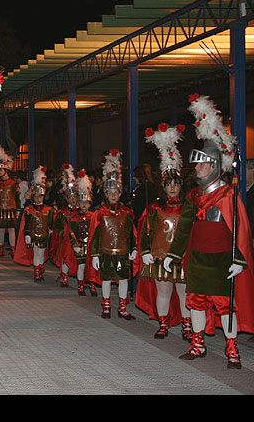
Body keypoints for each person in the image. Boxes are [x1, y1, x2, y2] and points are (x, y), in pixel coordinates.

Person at [164, 94, 254, 369]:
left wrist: (239, 260)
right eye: (196, 164)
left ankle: (231, 348)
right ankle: (198, 343)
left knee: (226, 306)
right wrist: (173, 253)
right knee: (196, 303)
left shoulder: (229, 194)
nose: (197, 167)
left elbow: (242, 230)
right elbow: (184, 229)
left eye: (202, 163)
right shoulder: (192, 196)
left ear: (214, 166)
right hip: (199, 260)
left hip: (222, 261)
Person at [136, 123, 191, 340]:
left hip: (182, 257)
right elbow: (146, 231)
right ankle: (163, 324)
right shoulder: (155, 207)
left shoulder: (189, 207)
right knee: (164, 291)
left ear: (180, 185)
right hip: (160, 256)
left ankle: (187, 326)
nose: (172, 187)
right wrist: (145, 250)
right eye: (168, 184)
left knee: (184, 292)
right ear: (163, 185)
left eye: (175, 183)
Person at [87, 149, 138, 320]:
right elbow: (95, 235)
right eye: (110, 193)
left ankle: (122, 308)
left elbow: (131, 233)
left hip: (123, 253)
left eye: (116, 193)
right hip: (106, 252)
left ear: (120, 194)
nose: (113, 195)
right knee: (107, 280)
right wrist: (95, 255)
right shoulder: (100, 213)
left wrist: (134, 248)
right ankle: (106, 306)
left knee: (123, 280)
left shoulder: (127, 212)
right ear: (106, 195)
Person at [13, 166, 55, 281]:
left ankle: (40, 268)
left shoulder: (48, 209)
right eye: (36, 196)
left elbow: (50, 221)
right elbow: (27, 223)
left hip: (44, 235)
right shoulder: (29, 210)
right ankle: (36, 271)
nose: (38, 199)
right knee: (36, 252)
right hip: (33, 234)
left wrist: (50, 230)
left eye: (40, 196)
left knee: (42, 252)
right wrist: (27, 235)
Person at [69, 170, 97, 296]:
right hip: (80, 245)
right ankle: (81, 284)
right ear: (78, 204)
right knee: (81, 266)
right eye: (82, 203)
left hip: (91, 246)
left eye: (86, 203)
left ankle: (92, 284)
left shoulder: (94, 216)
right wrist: (74, 244)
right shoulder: (74, 218)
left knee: (91, 267)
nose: (84, 205)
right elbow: (72, 232)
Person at [50, 164, 80, 287]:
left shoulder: (82, 212)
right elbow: (57, 226)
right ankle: (65, 275)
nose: (72, 200)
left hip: (79, 239)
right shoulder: (62, 213)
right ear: (66, 199)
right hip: (66, 239)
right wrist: (63, 235)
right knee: (66, 255)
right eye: (70, 198)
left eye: (74, 197)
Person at [0, 145, 19, 257]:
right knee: (1, 230)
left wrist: (18, 209)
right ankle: (0, 249)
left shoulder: (13, 183)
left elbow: (16, 196)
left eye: (1, 169)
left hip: (11, 208)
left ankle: (13, 249)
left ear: (6, 170)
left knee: (11, 229)